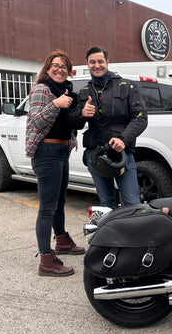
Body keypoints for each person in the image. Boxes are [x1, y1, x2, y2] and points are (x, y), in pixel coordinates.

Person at [25, 49, 89, 277]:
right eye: (56, 65)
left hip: (62, 149)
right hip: (46, 150)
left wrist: (83, 113)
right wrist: (56, 104)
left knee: (59, 200)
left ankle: (61, 240)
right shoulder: (42, 89)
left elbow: (71, 122)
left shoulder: (67, 90)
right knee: (47, 207)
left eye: (64, 66)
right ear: (48, 67)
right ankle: (46, 260)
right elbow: (35, 120)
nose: (60, 69)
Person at [73, 46, 148, 209]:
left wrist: (123, 139)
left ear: (107, 62)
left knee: (132, 204)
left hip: (121, 154)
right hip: (96, 155)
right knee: (106, 205)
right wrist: (82, 114)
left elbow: (141, 118)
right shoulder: (84, 91)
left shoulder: (127, 86)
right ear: (87, 64)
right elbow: (75, 123)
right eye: (92, 62)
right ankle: (112, 234)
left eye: (100, 61)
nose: (97, 65)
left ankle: (132, 234)